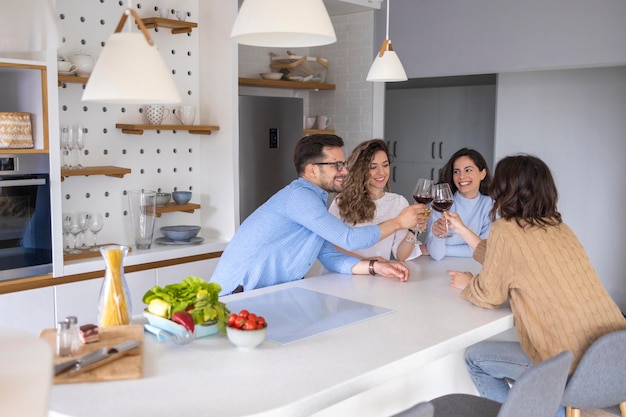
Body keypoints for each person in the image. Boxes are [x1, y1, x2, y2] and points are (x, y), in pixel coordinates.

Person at [446, 154, 626, 417]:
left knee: (476, 359)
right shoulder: (559, 227)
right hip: (614, 355)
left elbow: (489, 295)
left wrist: (469, 284)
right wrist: (463, 230)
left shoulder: (505, 230)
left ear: (505, 190)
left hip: (568, 364)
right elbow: (509, 259)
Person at [210, 134, 426, 295]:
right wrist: (398, 222)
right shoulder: (299, 198)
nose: (345, 171)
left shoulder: (313, 201)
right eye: (337, 165)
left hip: (263, 293)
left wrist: (376, 266)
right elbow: (347, 239)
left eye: (343, 164)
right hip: (237, 294)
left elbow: (330, 256)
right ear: (312, 170)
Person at [329, 139, 425, 262]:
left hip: (377, 276)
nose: (381, 172)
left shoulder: (398, 202)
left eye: (385, 165)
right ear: (360, 171)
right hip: (342, 275)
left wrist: (413, 230)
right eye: (373, 167)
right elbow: (331, 245)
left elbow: (401, 256)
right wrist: (369, 264)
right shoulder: (341, 201)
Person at [426, 148, 493, 260]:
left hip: (475, 269)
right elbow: (436, 255)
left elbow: (485, 252)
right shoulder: (441, 204)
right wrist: (438, 238)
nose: (461, 176)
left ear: (482, 174)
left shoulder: (490, 205)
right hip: (441, 270)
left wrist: (445, 250)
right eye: (456, 171)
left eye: (468, 170)